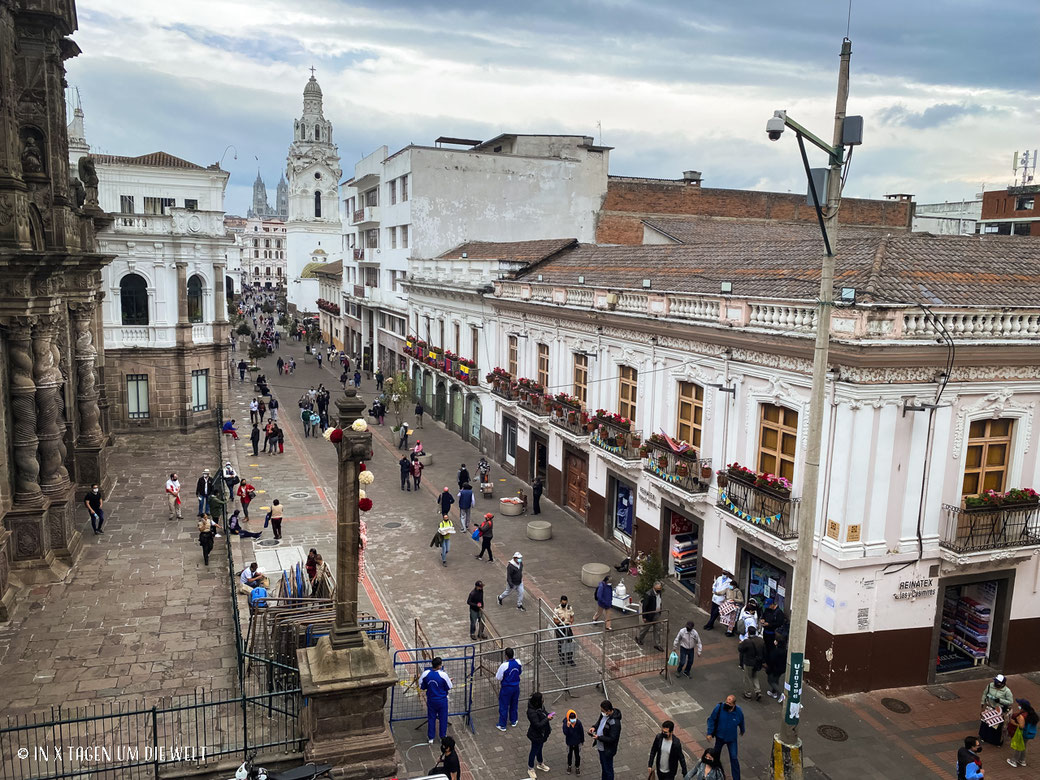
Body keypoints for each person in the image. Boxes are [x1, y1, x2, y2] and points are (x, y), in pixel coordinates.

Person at [706, 694, 745, 780]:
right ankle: (715, 774)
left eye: (729, 703)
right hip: (720, 738)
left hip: (732, 739)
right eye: (726, 702)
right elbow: (711, 719)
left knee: (734, 758)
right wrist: (709, 732)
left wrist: (742, 730)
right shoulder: (719, 707)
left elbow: (741, 720)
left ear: (734, 704)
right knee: (715, 756)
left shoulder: (738, 711)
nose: (727, 704)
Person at [419, 657, 453, 744]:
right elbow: (449, 686)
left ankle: (431, 738)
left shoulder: (426, 674)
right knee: (443, 718)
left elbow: (421, 685)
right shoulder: (443, 675)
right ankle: (442, 736)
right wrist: (449, 681)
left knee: (431, 718)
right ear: (439, 666)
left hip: (431, 700)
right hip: (442, 700)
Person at [588, 700, 622, 780]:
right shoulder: (604, 714)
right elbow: (599, 722)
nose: (602, 712)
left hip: (607, 750)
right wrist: (594, 727)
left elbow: (612, 739)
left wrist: (599, 738)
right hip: (601, 747)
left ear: (609, 711)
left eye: (603, 711)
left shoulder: (615, 723)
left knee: (608, 769)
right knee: (604, 767)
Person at [525, 691, 553, 779]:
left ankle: (540, 763)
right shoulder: (531, 712)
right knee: (534, 750)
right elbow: (537, 725)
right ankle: (530, 768)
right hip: (536, 734)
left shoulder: (539, 706)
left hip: (542, 734)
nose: (543, 700)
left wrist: (548, 715)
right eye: (541, 699)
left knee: (539, 748)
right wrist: (547, 719)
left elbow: (544, 712)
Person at [980, 674, 1014, 746]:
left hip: (999, 710)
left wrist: (1000, 700)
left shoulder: (1007, 691)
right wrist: (982, 704)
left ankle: (995, 741)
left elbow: (1010, 702)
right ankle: (984, 737)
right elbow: (984, 694)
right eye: (995, 681)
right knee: (986, 723)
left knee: (996, 726)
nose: (995, 683)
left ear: (1002, 683)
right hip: (990, 707)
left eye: (998, 682)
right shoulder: (990, 686)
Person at [496, 647, 523, 731]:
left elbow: (498, 677)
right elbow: (520, 672)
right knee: (514, 704)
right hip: (516, 687)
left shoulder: (504, 665)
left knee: (504, 706)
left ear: (506, 656)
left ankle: (502, 725)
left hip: (507, 688)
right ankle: (514, 720)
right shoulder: (518, 662)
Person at [738, 626, 765, 701]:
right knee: (755, 675)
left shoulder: (747, 641)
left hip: (749, 662)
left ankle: (748, 694)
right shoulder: (760, 640)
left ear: (748, 632)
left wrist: (741, 643)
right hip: (757, 662)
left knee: (747, 677)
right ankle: (758, 691)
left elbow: (740, 649)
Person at [1009, 698, 1038, 767]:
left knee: (1019, 746)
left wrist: (1014, 723)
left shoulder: (1022, 716)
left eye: (1019, 705)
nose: (1018, 706)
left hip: (1023, 733)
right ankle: (1022, 760)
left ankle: (1014, 761)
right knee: (1024, 746)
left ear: (1022, 707)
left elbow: (1021, 726)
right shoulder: (1032, 714)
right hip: (1029, 734)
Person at [636, 581, 665, 650]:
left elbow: (659, 601)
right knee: (646, 628)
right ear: (654, 588)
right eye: (658, 589)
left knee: (657, 629)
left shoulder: (659, 593)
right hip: (650, 615)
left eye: (660, 588)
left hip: (657, 614)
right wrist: (644, 616)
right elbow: (645, 606)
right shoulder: (648, 594)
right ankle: (639, 638)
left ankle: (657, 644)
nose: (659, 590)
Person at [562, 709, 584, 775]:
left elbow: (581, 732)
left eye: (574, 718)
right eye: (571, 718)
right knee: (569, 755)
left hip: (577, 742)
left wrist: (582, 741)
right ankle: (569, 766)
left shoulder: (578, 723)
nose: (573, 720)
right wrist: (568, 727)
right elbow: (566, 733)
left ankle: (577, 767)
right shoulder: (566, 723)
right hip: (570, 743)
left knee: (577, 755)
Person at [765, 635, 788, 701]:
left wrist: (769, 668)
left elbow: (771, 661)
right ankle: (773, 693)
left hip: (775, 669)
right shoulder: (784, 650)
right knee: (776, 679)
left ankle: (781, 694)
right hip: (782, 669)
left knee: (771, 681)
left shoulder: (776, 651)